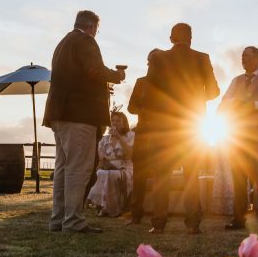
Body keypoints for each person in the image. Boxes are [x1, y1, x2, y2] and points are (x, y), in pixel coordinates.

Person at [42, 10, 125, 234]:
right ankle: (73, 221)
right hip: (79, 115)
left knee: (62, 168)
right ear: (91, 27)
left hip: (59, 114)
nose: (96, 34)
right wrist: (115, 76)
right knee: (78, 168)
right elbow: (94, 70)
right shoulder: (85, 40)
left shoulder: (63, 43)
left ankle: (58, 219)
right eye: (97, 30)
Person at [135, 23, 220, 234]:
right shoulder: (202, 58)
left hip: (164, 127)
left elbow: (150, 92)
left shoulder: (158, 58)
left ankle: (158, 224)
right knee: (191, 175)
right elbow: (213, 91)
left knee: (162, 176)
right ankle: (193, 225)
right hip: (192, 125)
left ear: (171, 38)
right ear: (191, 38)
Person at [219, 46, 258, 231]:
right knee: (238, 179)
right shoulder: (236, 80)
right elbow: (225, 100)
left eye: (246, 56)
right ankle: (239, 219)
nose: (243, 59)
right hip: (237, 136)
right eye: (242, 56)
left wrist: (253, 104)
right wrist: (235, 104)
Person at [126, 48, 162, 225]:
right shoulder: (140, 82)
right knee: (139, 175)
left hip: (162, 135)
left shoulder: (168, 82)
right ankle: (135, 215)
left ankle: (159, 215)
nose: (152, 64)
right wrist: (144, 110)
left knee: (161, 176)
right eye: (150, 61)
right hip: (143, 132)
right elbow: (130, 107)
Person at [87, 111, 134, 217]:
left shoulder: (130, 135)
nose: (115, 123)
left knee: (108, 174)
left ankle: (105, 207)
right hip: (108, 167)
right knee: (101, 173)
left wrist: (119, 138)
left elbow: (130, 155)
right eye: (113, 121)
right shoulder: (104, 139)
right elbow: (101, 158)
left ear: (124, 123)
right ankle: (103, 205)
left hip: (125, 167)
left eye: (118, 121)